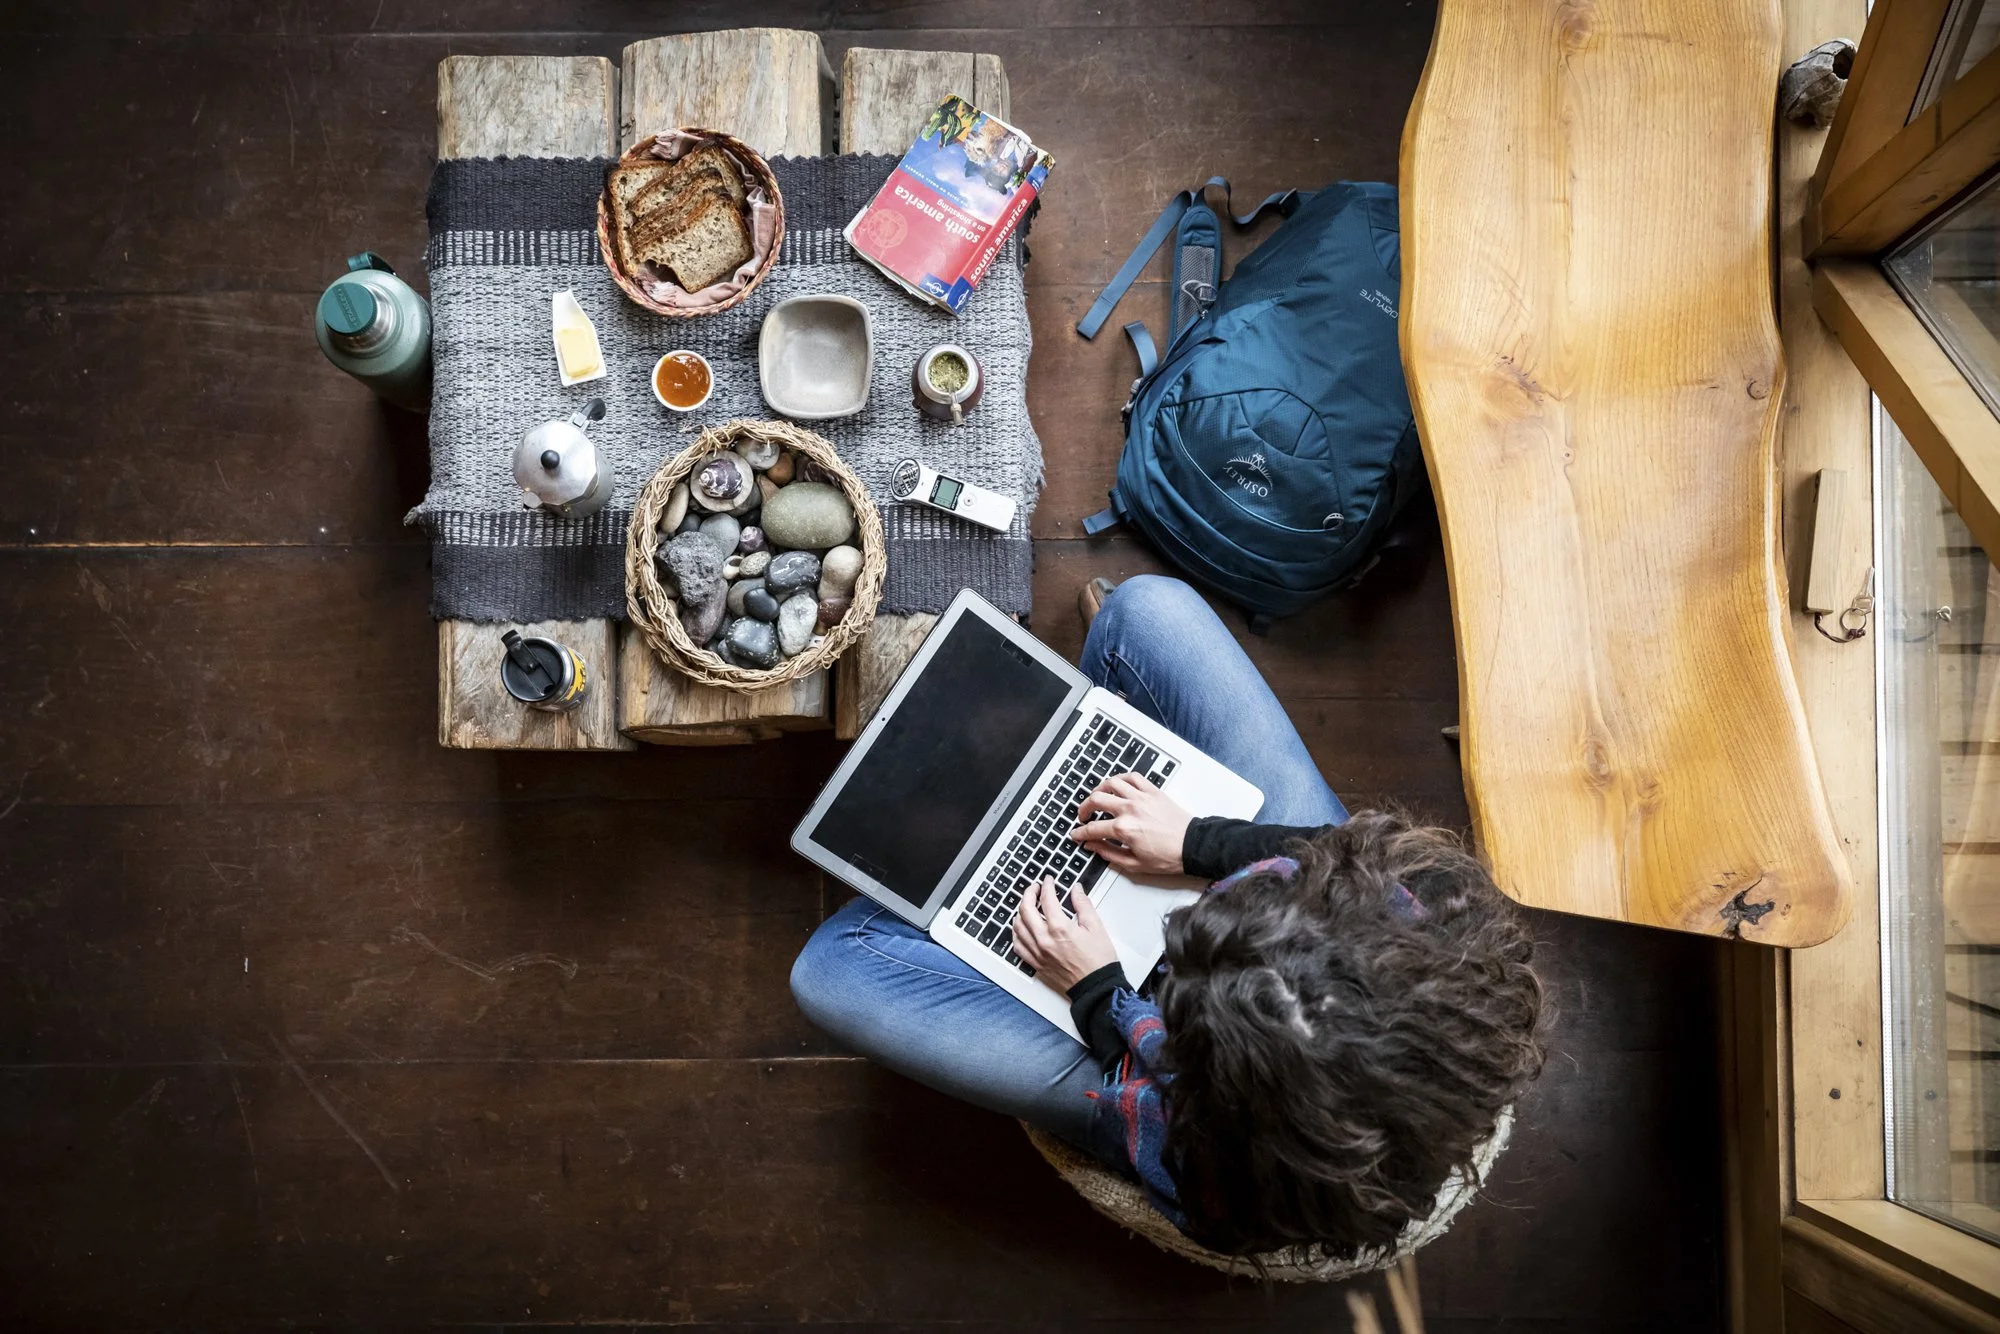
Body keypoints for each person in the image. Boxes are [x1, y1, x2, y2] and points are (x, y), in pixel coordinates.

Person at [790, 575, 1546, 1259]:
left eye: (1179, 981)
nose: (1182, 923)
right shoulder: (1424, 913)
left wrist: (1096, 991)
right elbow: (1328, 848)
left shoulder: (1214, 1164)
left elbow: (1153, 1069)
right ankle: (1071, 770)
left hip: (1161, 1070)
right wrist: (1196, 841)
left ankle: (958, 903)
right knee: (1147, 611)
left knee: (829, 973)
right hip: (1281, 989)